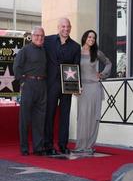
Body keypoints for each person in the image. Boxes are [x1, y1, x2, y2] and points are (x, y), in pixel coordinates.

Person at [44, 18, 81, 155]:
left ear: (70, 28)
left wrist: (78, 86)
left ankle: (63, 145)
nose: (66, 29)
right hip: (51, 84)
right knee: (50, 115)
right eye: (63, 26)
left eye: (68, 26)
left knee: (65, 116)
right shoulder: (47, 41)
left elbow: (77, 67)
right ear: (58, 27)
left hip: (68, 86)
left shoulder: (76, 47)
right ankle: (47, 145)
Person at [74, 30, 112, 154]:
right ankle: (80, 146)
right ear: (85, 37)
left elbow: (108, 63)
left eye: (94, 38)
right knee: (82, 117)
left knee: (93, 117)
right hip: (82, 89)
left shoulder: (96, 53)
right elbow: (71, 69)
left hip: (95, 87)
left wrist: (103, 74)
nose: (91, 39)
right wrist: (74, 87)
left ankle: (89, 145)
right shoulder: (77, 52)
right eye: (90, 36)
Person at [13, 26, 47, 156]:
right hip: (29, 85)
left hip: (42, 85)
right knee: (25, 118)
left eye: (42, 36)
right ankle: (24, 148)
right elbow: (17, 67)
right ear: (32, 37)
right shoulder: (24, 50)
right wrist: (22, 82)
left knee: (40, 119)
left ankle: (38, 148)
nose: (39, 38)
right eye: (37, 35)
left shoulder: (45, 50)